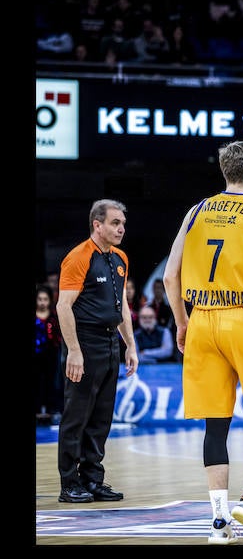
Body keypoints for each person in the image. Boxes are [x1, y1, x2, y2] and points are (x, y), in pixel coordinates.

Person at [162, 141, 243, 544]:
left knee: (215, 425)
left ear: (225, 172)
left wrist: (182, 324)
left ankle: (219, 523)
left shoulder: (196, 211)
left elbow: (170, 277)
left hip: (201, 322)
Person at [56, 199, 138, 504]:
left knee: (102, 417)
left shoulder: (120, 258)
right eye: (115, 223)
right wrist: (74, 351)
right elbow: (63, 307)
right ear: (97, 225)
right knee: (77, 415)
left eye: (123, 224)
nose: (121, 229)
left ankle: (92, 479)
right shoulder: (79, 257)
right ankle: (69, 483)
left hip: (110, 343)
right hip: (85, 343)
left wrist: (130, 344)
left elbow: (124, 306)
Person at [35, 284, 63, 424]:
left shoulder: (53, 316)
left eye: (45, 299)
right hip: (36, 353)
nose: (42, 302)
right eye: (39, 299)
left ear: (49, 301)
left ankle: (52, 409)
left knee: (51, 381)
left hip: (51, 353)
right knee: (37, 382)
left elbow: (58, 335)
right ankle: (38, 409)